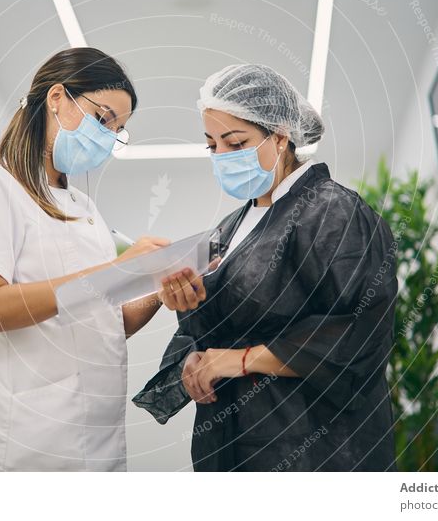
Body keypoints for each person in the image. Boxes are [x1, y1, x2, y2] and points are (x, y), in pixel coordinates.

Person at [0, 48, 206, 471]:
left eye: (119, 129)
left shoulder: (84, 209)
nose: (108, 135)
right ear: (57, 99)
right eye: (104, 118)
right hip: (22, 448)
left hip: (97, 446)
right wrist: (120, 269)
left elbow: (104, 324)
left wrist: (159, 285)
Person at [134, 64, 398, 471]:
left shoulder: (330, 210)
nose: (221, 157)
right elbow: (211, 329)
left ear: (280, 137)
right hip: (234, 442)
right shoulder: (229, 230)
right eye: (211, 146)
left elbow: (360, 330)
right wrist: (192, 352)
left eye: (235, 142)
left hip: (314, 444)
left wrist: (239, 360)